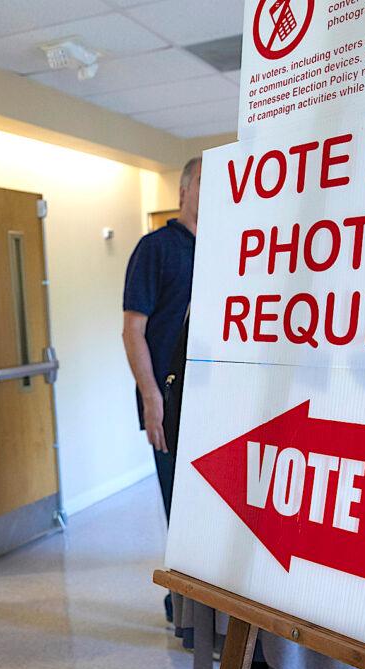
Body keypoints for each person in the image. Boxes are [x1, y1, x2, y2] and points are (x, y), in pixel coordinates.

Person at [122, 156, 201, 522]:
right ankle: (179, 582)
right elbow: (132, 330)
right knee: (183, 516)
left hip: (216, 399)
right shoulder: (156, 248)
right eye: (204, 181)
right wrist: (151, 398)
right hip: (172, 399)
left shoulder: (232, 249)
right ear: (183, 191)